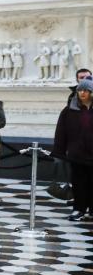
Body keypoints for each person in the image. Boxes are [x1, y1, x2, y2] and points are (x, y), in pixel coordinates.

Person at [53, 77, 93, 221]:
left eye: (86, 90)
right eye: (80, 90)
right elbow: (61, 132)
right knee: (79, 183)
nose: (83, 93)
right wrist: (59, 152)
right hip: (77, 154)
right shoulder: (69, 110)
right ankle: (79, 209)